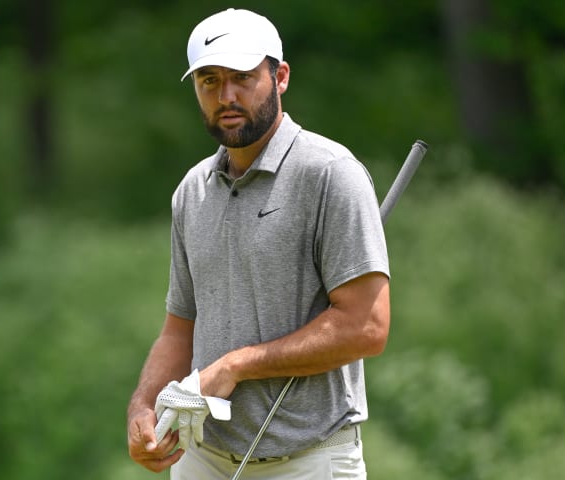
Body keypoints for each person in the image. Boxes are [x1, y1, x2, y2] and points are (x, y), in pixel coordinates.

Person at [127, 8, 390, 479]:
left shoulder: (330, 173)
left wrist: (237, 365)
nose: (226, 96)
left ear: (280, 76)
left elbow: (366, 326)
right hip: (201, 459)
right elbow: (179, 330)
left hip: (309, 460)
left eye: (243, 78)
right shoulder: (192, 190)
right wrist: (144, 406)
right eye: (209, 81)